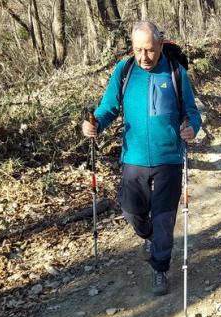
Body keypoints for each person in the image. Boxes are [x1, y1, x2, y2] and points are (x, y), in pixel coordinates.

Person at [82, 21, 202, 296]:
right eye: (138, 50)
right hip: (133, 156)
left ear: (160, 44)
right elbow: (108, 107)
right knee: (132, 209)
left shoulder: (175, 72)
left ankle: (160, 267)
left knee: (163, 217)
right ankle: (148, 237)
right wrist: (95, 124)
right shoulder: (124, 71)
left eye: (149, 50)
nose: (144, 57)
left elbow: (192, 112)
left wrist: (191, 128)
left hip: (169, 156)